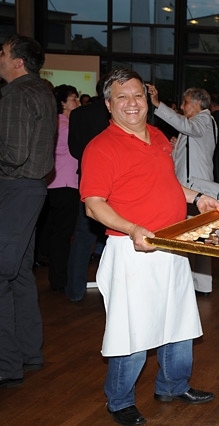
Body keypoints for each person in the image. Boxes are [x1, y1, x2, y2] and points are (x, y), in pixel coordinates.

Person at [81, 68, 219, 425]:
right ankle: (120, 401)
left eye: (137, 95)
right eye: (122, 97)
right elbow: (93, 205)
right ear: (109, 104)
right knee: (133, 330)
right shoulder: (101, 147)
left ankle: (173, 385)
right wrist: (132, 229)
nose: (132, 103)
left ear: (147, 99)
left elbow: (168, 184)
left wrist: (197, 198)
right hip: (132, 250)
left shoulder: (158, 136)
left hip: (170, 243)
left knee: (179, 321)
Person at [0, 34, 57, 388]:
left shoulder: (16, 94)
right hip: (32, 189)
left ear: (18, 62)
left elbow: (13, 154)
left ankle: (7, 364)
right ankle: (28, 353)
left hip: (15, 189)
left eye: (3, 53)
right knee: (19, 273)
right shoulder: (42, 91)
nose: (0, 58)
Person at [148, 85, 217, 294]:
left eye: (185, 102)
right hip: (190, 188)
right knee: (191, 237)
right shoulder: (197, 123)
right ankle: (192, 284)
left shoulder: (204, 119)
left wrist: (157, 104)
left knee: (196, 238)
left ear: (198, 103)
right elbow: (187, 154)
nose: (182, 106)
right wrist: (176, 147)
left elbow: (186, 126)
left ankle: (195, 285)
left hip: (196, 190)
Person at [66, 75, 111, 302]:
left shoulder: (79, 114)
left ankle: (75, 291)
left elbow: (74, 149)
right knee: (118, 235)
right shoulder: (117, 114)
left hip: (88, 178)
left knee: (83, 236)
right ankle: (115, 291)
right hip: (116, 181)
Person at [41, 84, 81, 292]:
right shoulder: (65, 126)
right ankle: (59, 280)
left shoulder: (55, 123)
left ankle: (57, 279)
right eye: (73, 98)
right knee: (62, 236)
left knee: (57, 233)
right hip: (66, 184)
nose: (77, 102)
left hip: (55, 184)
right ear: (63, 103)